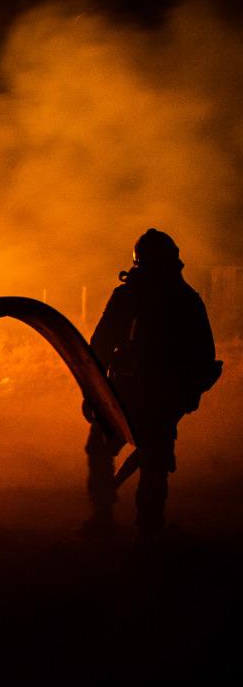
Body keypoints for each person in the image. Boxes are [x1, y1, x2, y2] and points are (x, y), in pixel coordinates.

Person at [83, 228, 220, 535]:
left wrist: (182, 395)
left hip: (150, 397)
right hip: (130, 395)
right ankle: (121, 523)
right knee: (135, 458)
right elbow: (101, 347)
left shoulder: (178, 301)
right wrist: (94, 392)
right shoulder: (172, 299)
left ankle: (138, 528)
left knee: (150, 463)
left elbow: (202, 358)